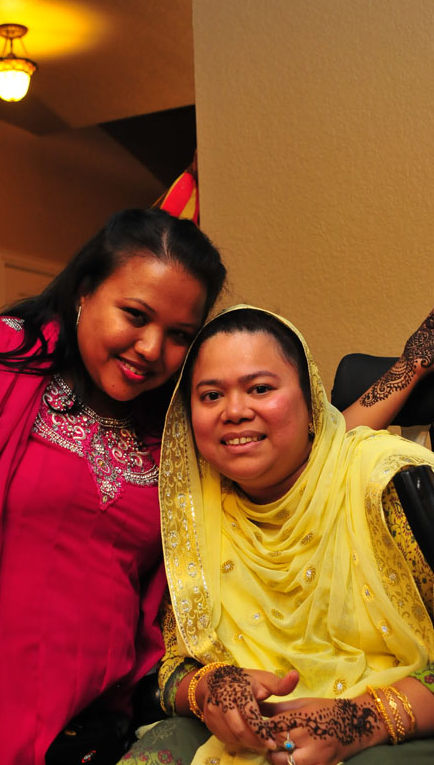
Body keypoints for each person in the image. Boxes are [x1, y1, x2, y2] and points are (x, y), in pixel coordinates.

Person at [0, 207, 227, 765]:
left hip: (86, 726)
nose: (152, 349)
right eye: (135, 315)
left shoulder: (173, 428)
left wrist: (392, 380)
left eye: (179, 336)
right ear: (84, 291)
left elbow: (294, 452)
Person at [122, 305, 434, 765]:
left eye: (260, 389)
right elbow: (170, 665)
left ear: (311, 402)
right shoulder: (192, 511)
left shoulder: (386, 485)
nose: (234, 411)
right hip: (244, 740)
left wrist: (361, 719)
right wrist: (213, 687)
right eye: (211, 395)